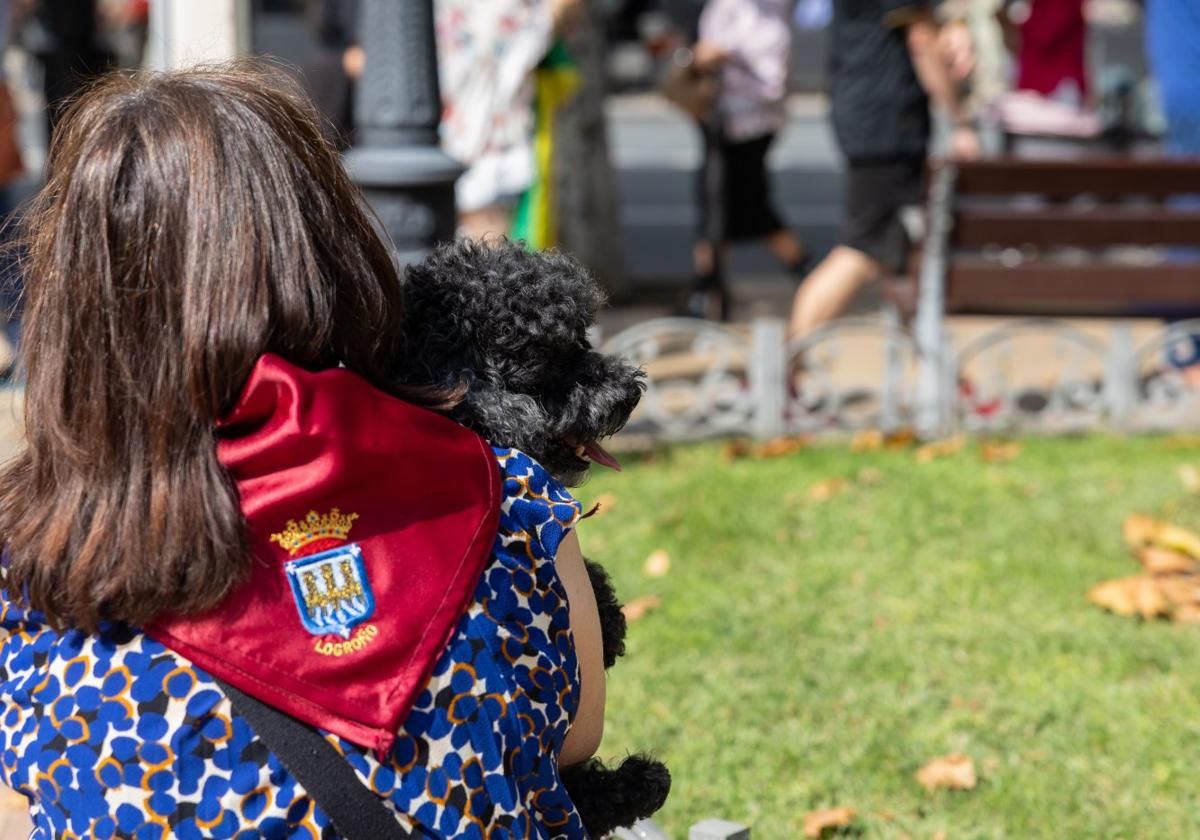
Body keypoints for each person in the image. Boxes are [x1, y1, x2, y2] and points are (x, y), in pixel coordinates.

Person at [0, 63, 603, 837]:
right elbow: (578, 736)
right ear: (327, 249)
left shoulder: (39, 575)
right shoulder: (501, 497)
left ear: (81, 306)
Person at [788, 0, 979, 339]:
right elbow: (921, 41)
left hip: (866, 115)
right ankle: (786, 365)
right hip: (887, 127)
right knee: (862, 250)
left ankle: (937, 365)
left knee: (896, 256)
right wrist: (960, 118)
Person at [684, 0, 810, 320]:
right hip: (719, 120)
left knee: (745, 208)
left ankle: (708, 292)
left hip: (750, 125)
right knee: (718, 206)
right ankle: (709, 292)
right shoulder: (728, 5)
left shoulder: (769, 14)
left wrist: (725, 56)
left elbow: (772, 82)